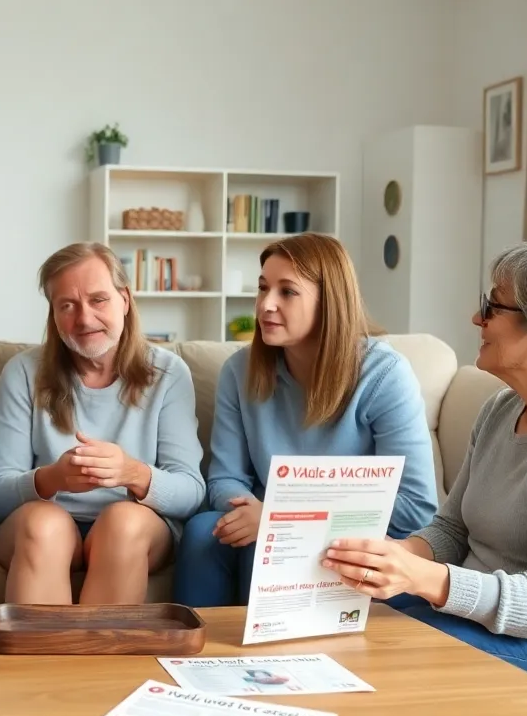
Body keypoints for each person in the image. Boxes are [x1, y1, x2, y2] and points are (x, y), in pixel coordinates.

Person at [322, 238, 527, 716]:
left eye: (493, 306)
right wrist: (394, 556)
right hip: (477, 618)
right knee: (341, 628)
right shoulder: (501, 408)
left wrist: (421, 578)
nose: (477, 319)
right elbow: (452, 530)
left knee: (382, 661)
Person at [173, 233, 438, 607]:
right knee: (204, 532)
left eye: (287, 292)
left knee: (265, 545)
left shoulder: (384, 374)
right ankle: (188, 653)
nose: (265, 305)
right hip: (264, 518)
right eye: (263, 288)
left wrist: (282, 520)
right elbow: (225, 477)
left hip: (354, 536)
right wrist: (255, 516)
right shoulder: (239, 371)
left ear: (330, 300)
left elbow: (414, 505)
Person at [0, 242, 205, 605]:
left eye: (98, 300)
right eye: (67, 305)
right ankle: (40, 660)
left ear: (125, 300)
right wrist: (52, 478)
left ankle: (102, 660)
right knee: (45, 524)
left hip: (133, 527)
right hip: (43, 523)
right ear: (53, 314)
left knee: (123, 522)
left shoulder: (168, 373)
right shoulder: (23, 372)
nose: (84, 319)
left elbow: (191, 493)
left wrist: (133, 473)